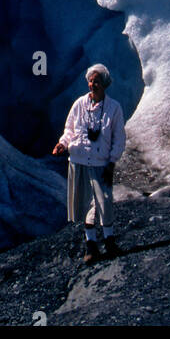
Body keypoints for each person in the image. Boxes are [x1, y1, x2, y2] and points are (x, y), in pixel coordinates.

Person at [52, 64, 126, 263]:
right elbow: (70, 129)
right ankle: (91, 245)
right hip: (78, 161)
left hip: (101, 164)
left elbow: (119, 138)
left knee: (105, 201)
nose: (93, 85)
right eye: (91, 81)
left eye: (97, 82)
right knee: (85, 204)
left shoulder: (114, 108)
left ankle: (109, 240)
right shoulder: (79, 105)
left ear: (105, 85)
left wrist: (112, 161)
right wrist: (63, 143)